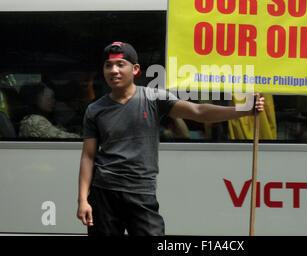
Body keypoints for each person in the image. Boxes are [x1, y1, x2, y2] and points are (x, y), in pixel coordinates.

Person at [76, 41, 265, 236]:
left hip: (141, 192)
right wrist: (83, 200)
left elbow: (198, 111)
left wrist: (243, 110)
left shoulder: (153, 98)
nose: (114, 70)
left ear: (135, 69)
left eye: (120, 64)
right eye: (108, 65)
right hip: (103, 193)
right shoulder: (95, 109)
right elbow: (88, 157)